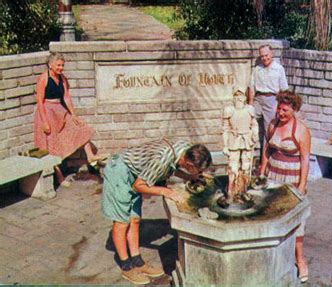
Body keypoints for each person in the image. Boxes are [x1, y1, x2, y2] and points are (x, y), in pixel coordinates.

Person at [101, 138, 212, 284]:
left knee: (134, 220)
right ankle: (127, 267)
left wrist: (190, 176)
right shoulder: (162, 158)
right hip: (120, 172)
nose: (201, 172)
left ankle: (138, 262)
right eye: (199, 170)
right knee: (122, 222)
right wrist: (165, 191)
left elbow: (173, 167)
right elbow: (138, 186)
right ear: (189, 164)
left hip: (135, 173)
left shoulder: (186, 149)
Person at [258, 91, 311, 283]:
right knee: (270, 212)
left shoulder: (301, 130)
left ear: (294, 110)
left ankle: (300, 258)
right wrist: (262, 171)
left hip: (292, 175)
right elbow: (267, 149)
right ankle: (272, 252)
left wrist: (302, 185)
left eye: (285, 110)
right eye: (279, 108)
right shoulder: (272, 124)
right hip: (273, 174)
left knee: (296, 218)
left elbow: (305, 160)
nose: (280, 113)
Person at [34, 52, 106, 186]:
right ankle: (60, 177)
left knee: (81, 128)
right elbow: (39, 101)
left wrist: (73, 115)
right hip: (47, 112)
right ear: (50, 65)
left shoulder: (62, 78)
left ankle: (90, 156)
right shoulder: (43, 78)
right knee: (51, 145)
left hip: (60, 111)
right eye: (58, 65)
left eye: (62, 65)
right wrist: (44, 122)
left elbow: (66, 97)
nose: (61, 68)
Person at [222, 90, 259, 203]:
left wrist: (255, 134)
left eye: (241, 95)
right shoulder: (229, 110)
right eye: (236, 96)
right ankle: (231, 191)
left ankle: (243, 190)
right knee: (233, 166)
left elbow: (254, 124)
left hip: (247, 140)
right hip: (234, 140)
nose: (239, 98)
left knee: (246, 166)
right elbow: (225, 129)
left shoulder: (250, 109)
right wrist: (225, 145)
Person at [247, 44, 289, 139]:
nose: (264, 58)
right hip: (258, 100)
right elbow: (251, 87)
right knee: (247, 120)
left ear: (271, 54)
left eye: (266, 55)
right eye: (262, 56)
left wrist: (280, 105)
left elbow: (284, 89)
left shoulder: (278, 69)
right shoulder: (257, 69)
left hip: (272, 100)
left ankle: (267, 153)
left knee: (269, 129)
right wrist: (250, 104)